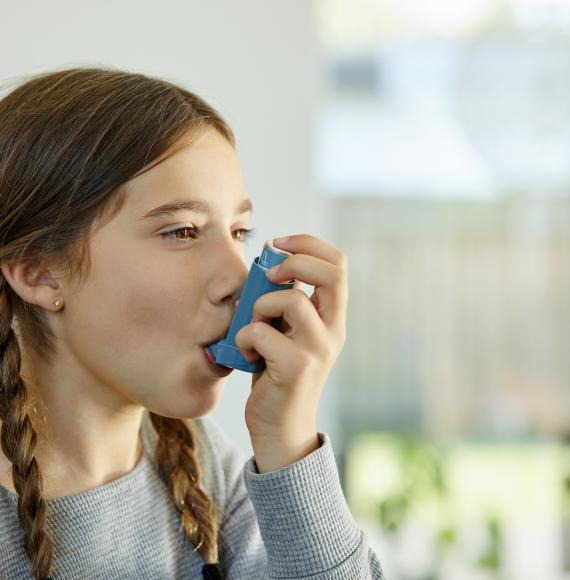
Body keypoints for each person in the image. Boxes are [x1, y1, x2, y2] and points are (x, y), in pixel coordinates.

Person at [0, 66, 384, 579]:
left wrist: (287, 442)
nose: (236, 277)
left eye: (239, 231)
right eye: (182, 232)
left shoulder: (206, 470)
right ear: (39, 271)